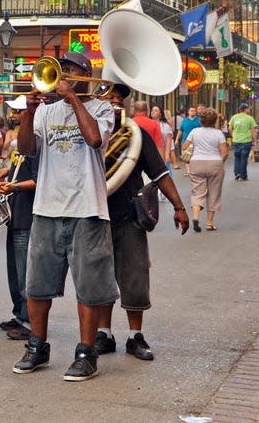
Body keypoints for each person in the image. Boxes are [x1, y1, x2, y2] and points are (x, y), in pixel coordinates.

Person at [12, 51, 116, 382]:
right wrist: (28, 114)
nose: (63, 78)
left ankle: (86, 353)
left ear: (86, 75)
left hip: (87, 207)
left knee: (88, 287)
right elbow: (27, 149)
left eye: (70, 72)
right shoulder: (44, 110)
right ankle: (37, 346)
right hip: (46, 207)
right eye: (61, 72)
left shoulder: (102, 107)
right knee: (37, 285)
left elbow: (94, 139)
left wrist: (73, 100)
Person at [95, 84, 189, 361]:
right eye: (107, 97)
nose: (113, 101)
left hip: (128, 216)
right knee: (100, 278)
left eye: (118, 98)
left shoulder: (135, 134)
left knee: (135, 277)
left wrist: (179, 206)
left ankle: (135, 336)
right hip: (95, 216)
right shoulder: (87, 133)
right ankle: (104, 333)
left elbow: (160, 173)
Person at [0, 142, 39, 342]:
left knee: (25, 274)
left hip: (27, 217)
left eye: (18, 112)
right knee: (14, 271)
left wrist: (14, 186)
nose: (13, 116)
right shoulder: (21, 145)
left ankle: (30, 321)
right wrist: (8, 172)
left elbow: (40, 180)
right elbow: (21, 169)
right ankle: (20, 315)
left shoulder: (36, 144)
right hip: (14, 215)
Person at [183, 108, 228, 232]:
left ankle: (196, 217)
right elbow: (224, 152)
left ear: (201, 120)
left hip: (197, 162)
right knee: (214, 192)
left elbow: (184, 147)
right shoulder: (218, 133)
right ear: (214, 121)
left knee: (197, 191)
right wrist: (219, 163)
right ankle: (209, 223)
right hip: (215, 163)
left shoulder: (194, 131)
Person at [229, 103, 258, 181]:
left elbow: (230, 128)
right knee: (244, 158)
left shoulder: (234, 117)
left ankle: (237, 173)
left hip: (236, 140)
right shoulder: (250, 118)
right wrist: (255, 141)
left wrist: (233, 135)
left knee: (237, 157)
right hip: (246, 140)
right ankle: (243, 175)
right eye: (248, 108)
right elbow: (253, 130)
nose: (249, 109)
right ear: (245, 109)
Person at [178, 106, 201, 175]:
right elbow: (181, 130)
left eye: (194, 110)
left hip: (196, 141)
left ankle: (194, 170)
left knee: (195, 156)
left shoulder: (199, 120)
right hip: (185, 140)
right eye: (191, 110)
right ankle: (188, 171)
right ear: (188, 112)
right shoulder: (184, 120)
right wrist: (177, 139)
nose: (193, 112)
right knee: (186, 157)